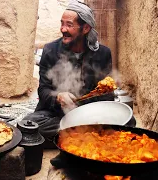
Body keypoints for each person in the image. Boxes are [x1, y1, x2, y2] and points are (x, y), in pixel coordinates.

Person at [22, 1, 113, 147]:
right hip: (56, 114)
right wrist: (58, 97)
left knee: (127, 122)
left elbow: (107, 95)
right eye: (62, 23)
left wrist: (84, 109)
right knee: (29, 125)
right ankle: (85, 138)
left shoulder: (102, 54)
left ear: (85, 28)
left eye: (69, 25)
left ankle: (71, 138)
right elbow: (43, 90)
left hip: (89, 116)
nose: (63, 29)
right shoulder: (50, 51)